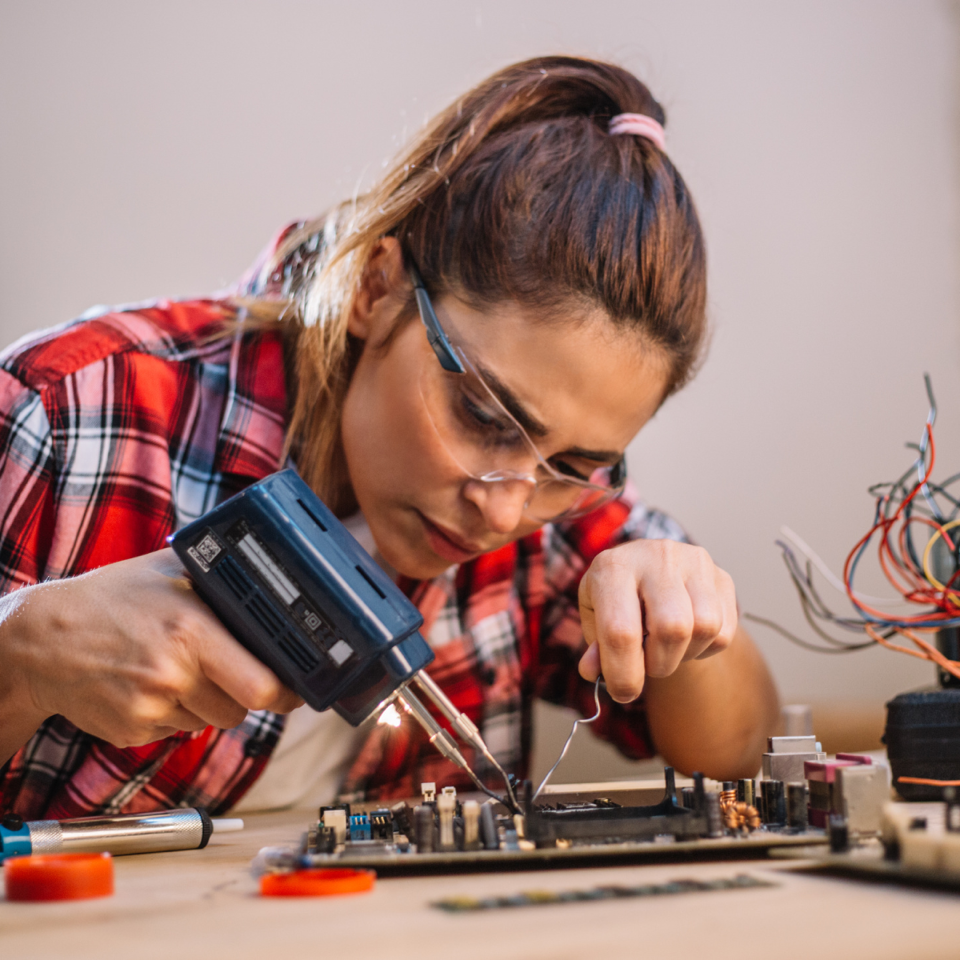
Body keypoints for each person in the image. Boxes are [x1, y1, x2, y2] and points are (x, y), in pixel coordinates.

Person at [0, 56, 778, 819]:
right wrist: (22, 660)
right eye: (485, 417)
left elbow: (743, 750)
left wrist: (688, 616)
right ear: (375, 288)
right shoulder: (69, 411)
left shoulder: (558, 526)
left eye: (574, 465)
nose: (504, 513)